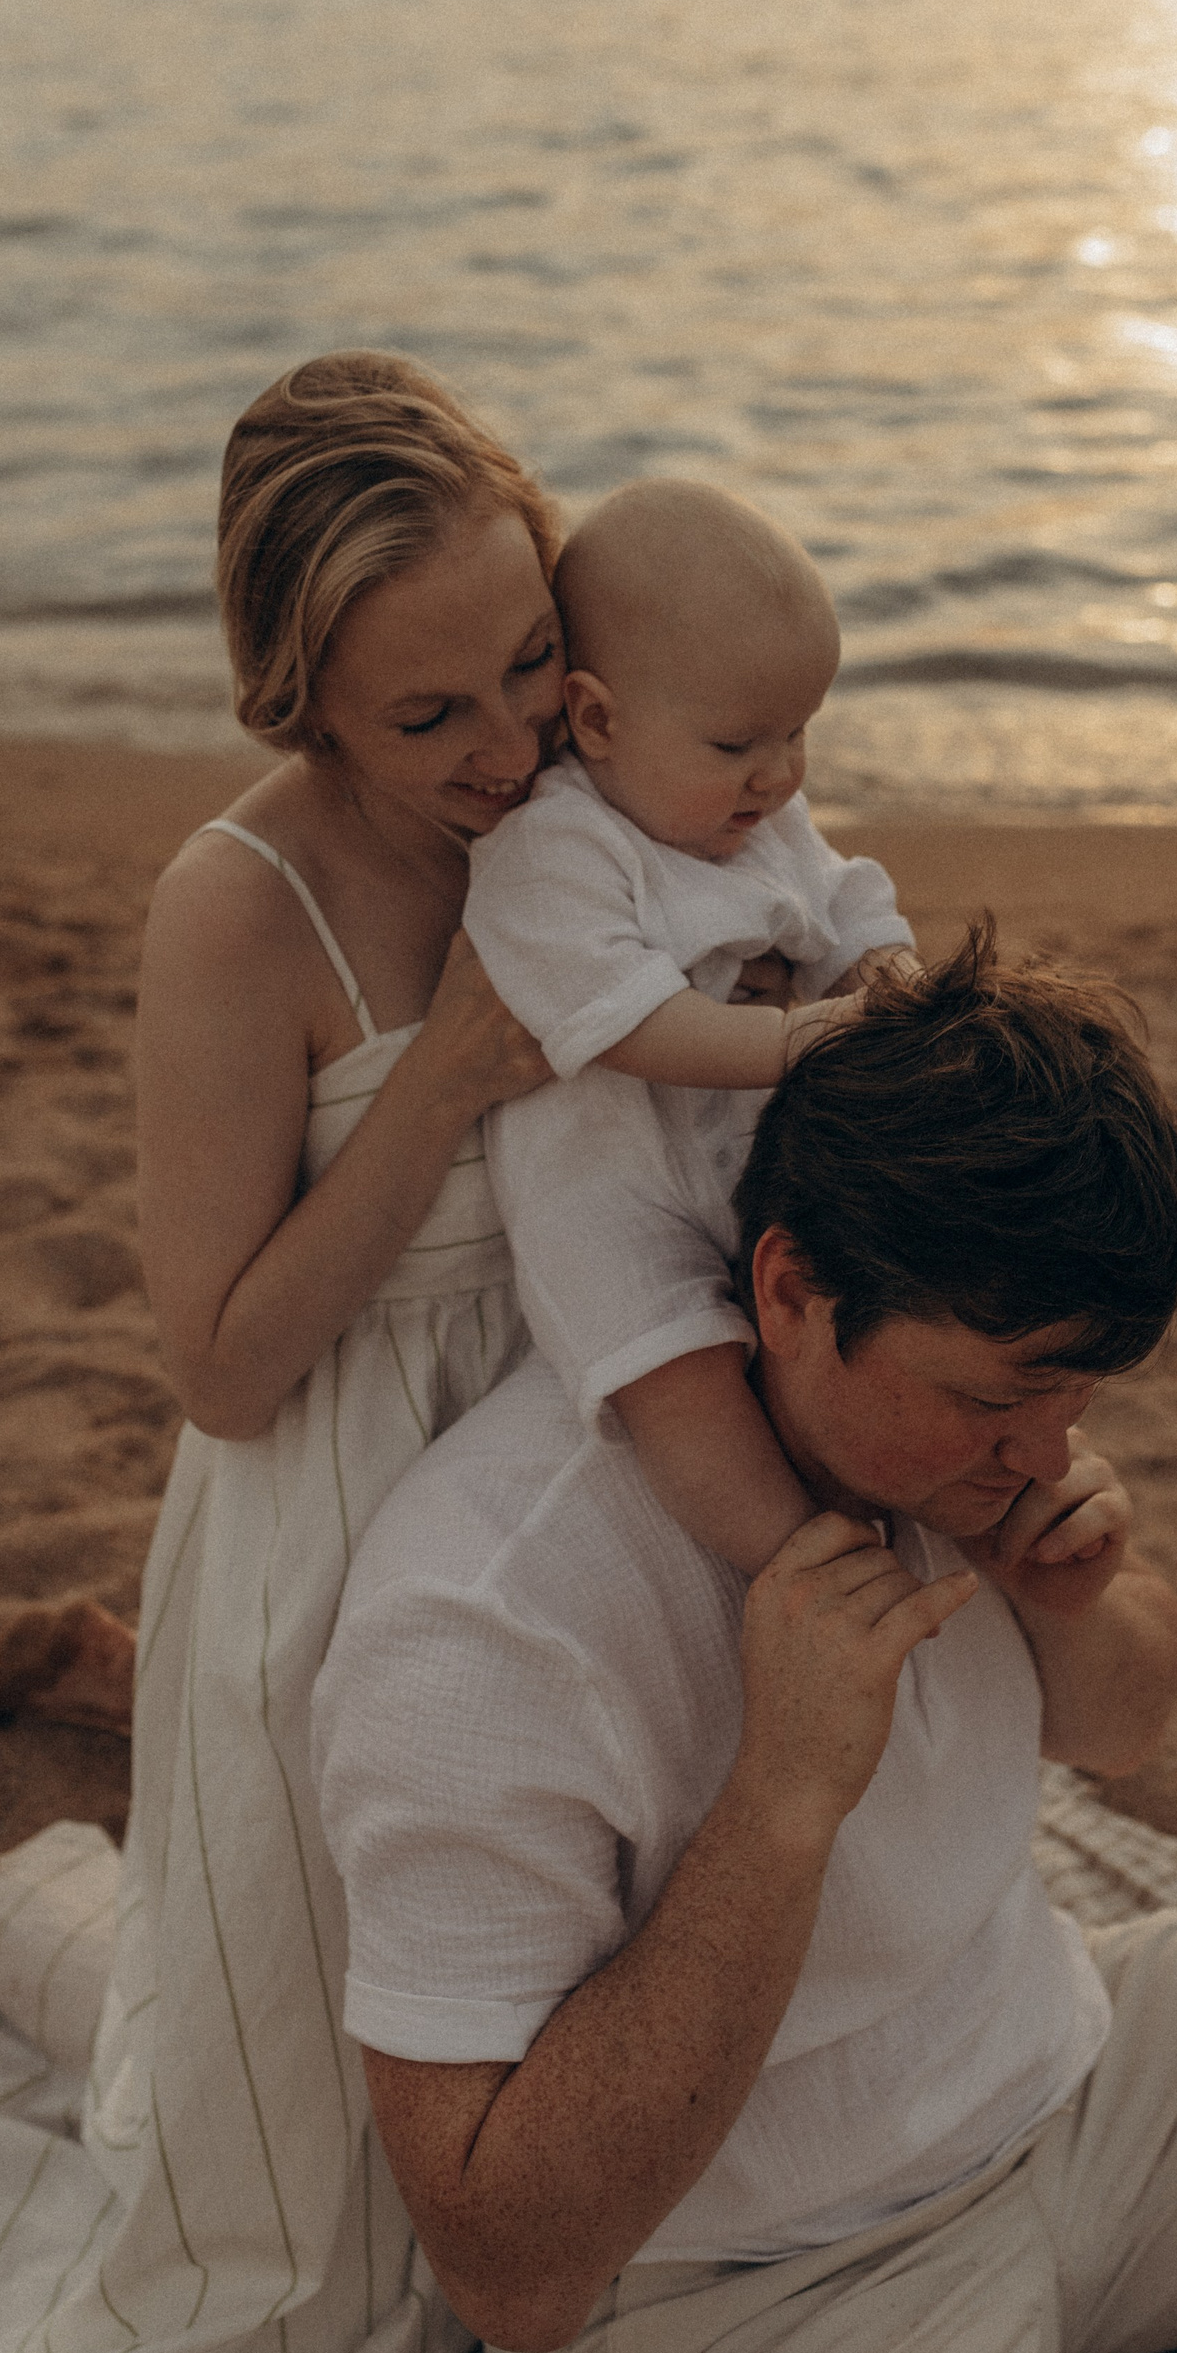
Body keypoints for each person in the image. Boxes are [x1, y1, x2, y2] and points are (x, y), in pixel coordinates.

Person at [313, 939, 1177, 2353]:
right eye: (996, 1401)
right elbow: (509, 2271)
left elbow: (1118, 1732)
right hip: (753, 2281)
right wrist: (780, 1798)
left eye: (1080, 1393)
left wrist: (1076, 1602)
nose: (1045, 1451)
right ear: (790, 1290)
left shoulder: (968, 1428)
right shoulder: (484, 1616)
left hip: (1083, 2085)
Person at [0, 350, 569, 2353]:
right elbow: (219, 1368)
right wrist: (445, 1081)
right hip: (345, 1501)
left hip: (571, 1481)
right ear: (302, 707)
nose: (507, 749)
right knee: (292, 2206)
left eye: (532, 663)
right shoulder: (237, 909)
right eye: (429, 717)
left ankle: (110, 1691)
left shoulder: (586, 778)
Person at [464, 477, 916, 1575]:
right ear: (598, 719)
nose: (782, 772)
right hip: (610, 1186)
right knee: (674, 1369)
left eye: (799, 731)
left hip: (755, 1154)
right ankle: (794, 1563)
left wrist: (890, 977)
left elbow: (847, 898)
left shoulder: (757, 816)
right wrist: (812, 1037)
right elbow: (633, 1026)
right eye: (737, 743)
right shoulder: (554, 849)